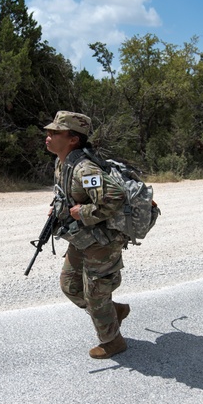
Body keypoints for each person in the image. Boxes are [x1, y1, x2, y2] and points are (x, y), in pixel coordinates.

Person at [44, 111, 131, 359]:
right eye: (48, 132)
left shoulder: (85, 169)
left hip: (102, 241)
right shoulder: (63, 162)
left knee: (95, 294)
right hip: (82, 238)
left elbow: (114, 196)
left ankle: (112, 341)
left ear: (73, 139)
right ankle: (112, 312)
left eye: (55, 133)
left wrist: (84, 211)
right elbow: (67, 193)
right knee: (70, 286)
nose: (48, 136)